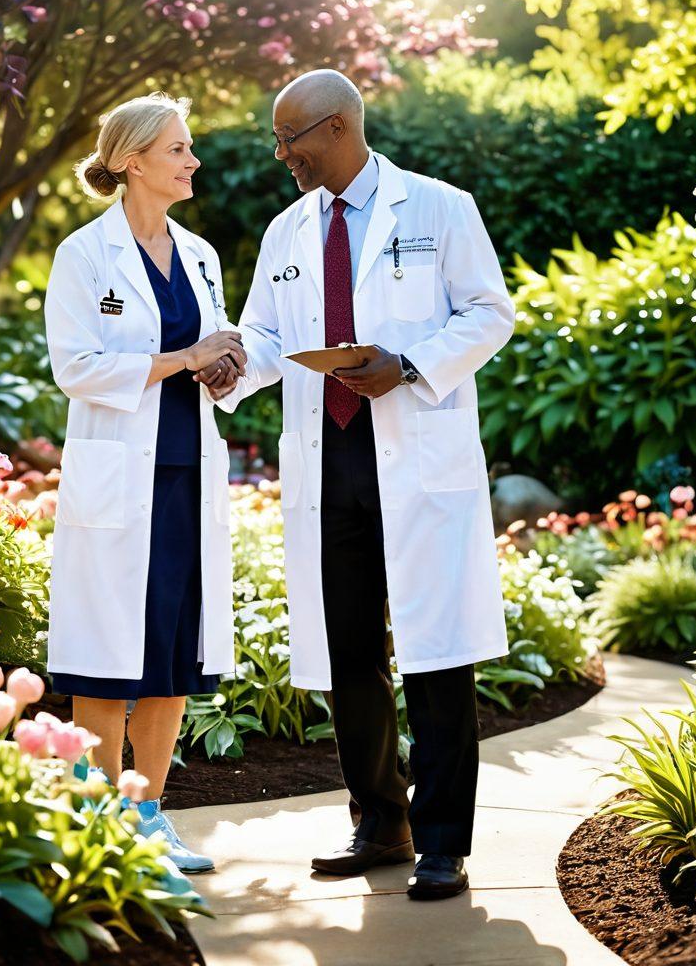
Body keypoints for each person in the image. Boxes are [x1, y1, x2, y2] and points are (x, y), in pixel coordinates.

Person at [207, 69, 515, 899]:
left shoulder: (441, 208)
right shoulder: (287, 231)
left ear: (338, 127)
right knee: (351, 651)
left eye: (291, 139)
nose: (282, 156)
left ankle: (443, 840)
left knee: (436, 652)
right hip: (330, 460)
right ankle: (379, 820)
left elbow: (490, 313)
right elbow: (269, 335)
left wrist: (408, 364)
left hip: (416, 457)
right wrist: (231, 365)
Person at [43, 91, 245, 873]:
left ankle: (148, 815)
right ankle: (98, 822)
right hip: (118, 481)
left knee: (170, 655)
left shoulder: (199, 255)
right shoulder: (82, 255)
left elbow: (210, 349)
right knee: (106, 657)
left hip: (188, 476)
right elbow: (78, 369)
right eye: (178, 149)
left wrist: (221, 366)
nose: (193, 161)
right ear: (132, 161)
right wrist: (185, 359)